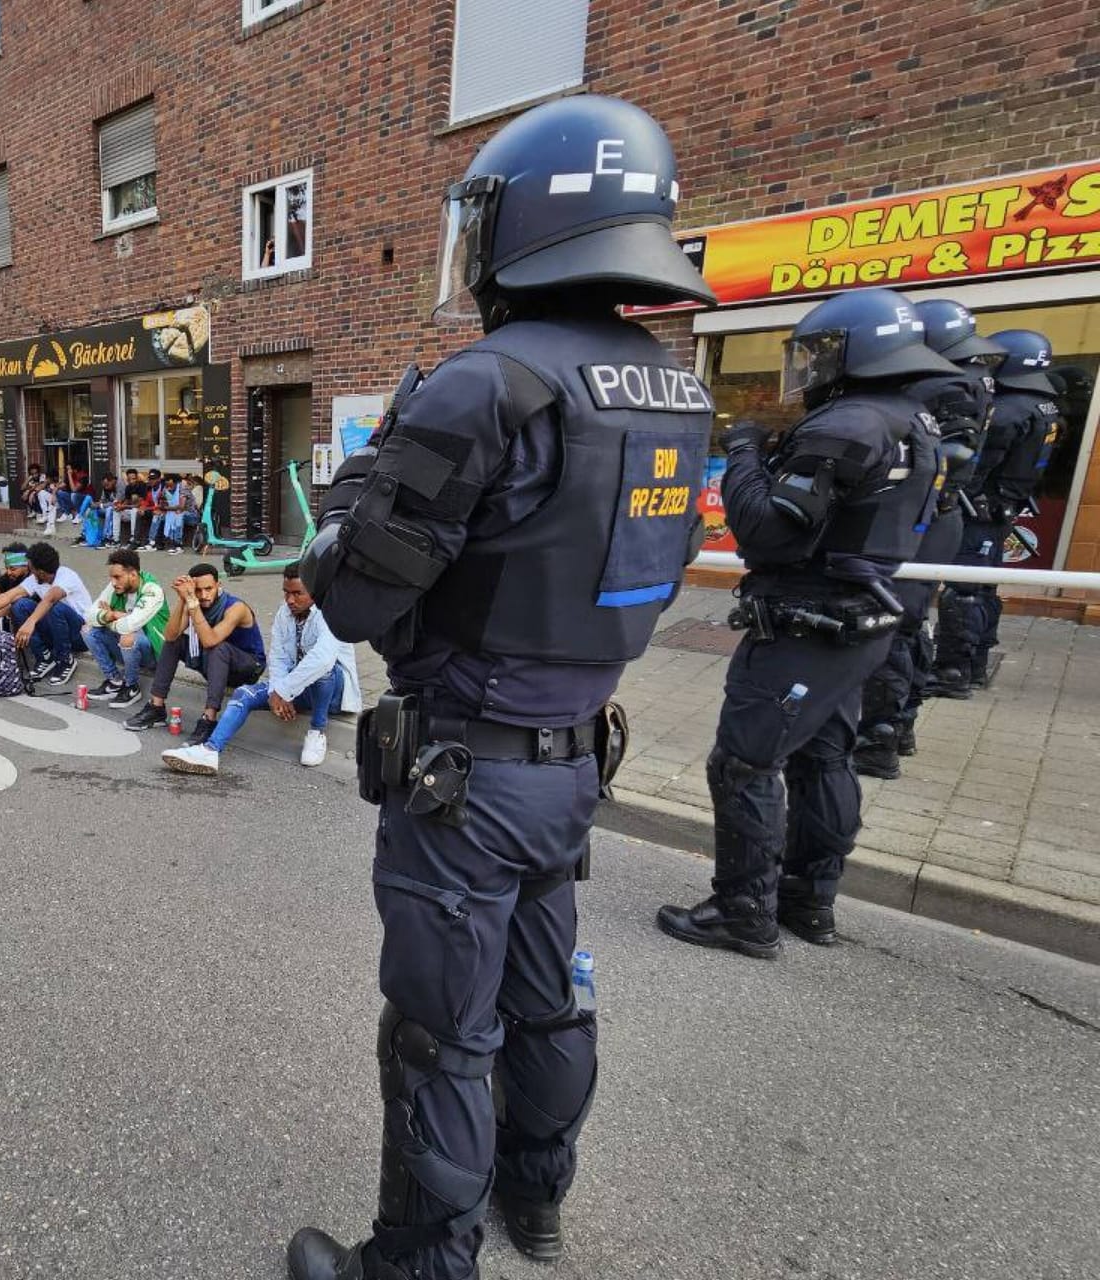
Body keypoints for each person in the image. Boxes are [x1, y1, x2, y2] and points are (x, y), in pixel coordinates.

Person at [286, 97, 719, 1280]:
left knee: (442, 1035)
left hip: (464, 776)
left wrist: (349, 489)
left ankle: (419, 1263)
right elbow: (651, 569)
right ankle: (536, 1201)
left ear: (519, 227)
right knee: (550, 997)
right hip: (574, 758)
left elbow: (353, 596)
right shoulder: (677, 391)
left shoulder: (489, 384)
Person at [657, 287, 952, 961]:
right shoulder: (915, 421)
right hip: (860, 622)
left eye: (819, 354)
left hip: (806, 626)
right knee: (824, 759)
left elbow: (766, 534)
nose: (808, 369)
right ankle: (808, 900)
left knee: (744, 764)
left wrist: (743, 454)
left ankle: (743, 912)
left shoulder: (848, 425)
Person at [851, 299, 1002, 778]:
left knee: (892, 626)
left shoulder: (945, 385)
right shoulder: (973, 381)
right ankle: (899, 724)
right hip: (938, 519)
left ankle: (879, 738)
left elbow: (952, 458)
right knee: (910, 625)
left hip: (923, 520)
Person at [930, 328, 1065, 698]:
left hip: (980, 511)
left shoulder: (1007, 412)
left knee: (963, 591)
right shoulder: (1044, 407)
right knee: (984, 587)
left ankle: (952, 671)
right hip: (1003, 508)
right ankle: (975, 661)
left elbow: (974, 468)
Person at [162, 564, 361, 775]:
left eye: (297, 593)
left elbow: (322, 660)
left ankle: (317, 732)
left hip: (332, 693)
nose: (290, 600)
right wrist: (277, 689)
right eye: (286, 592)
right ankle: (210, 750)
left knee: (325, 671)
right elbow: (279, 657)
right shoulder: (285, 613)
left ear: (314, 590)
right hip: (295, 688)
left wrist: (283, 691)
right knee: (244, 693)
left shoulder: (330, 613)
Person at [122, 562, 263, 740]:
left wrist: (192, 604)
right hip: (215, 665)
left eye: (209, 589)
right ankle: (156, 707)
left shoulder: (236, 608)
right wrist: (182, 599)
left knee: (217, 647)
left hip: (246, 668)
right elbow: (170, 635)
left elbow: (210, 640)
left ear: (219, 586)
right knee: (176, 642)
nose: (203, 595)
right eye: (197, 590)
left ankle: (209, 720)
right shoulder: (192, 601)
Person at [0, 541, 96, 683]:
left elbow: (50, 600)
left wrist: (30, 622)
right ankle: (45, 657)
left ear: (41, 572)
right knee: (20, 605)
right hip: (57, 631)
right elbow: (8, 596)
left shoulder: (66, 576)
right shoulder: (35, 579)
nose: (29, 572)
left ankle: (65, 660)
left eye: (31, 569)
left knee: (56, 608)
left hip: (80, 635)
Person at [82, 548, 168, 707]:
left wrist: (110, 617)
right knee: (88, 630)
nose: (113, 582)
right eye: (111, 577)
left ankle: (131, 687)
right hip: (125, 648)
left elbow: (130, 625)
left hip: (154, 653)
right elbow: (89, 615)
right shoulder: (115, 587)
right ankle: (114, 681)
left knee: (128, 636)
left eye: (117, 577)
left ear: (133, 575)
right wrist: (112, 615)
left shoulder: (152, 590)